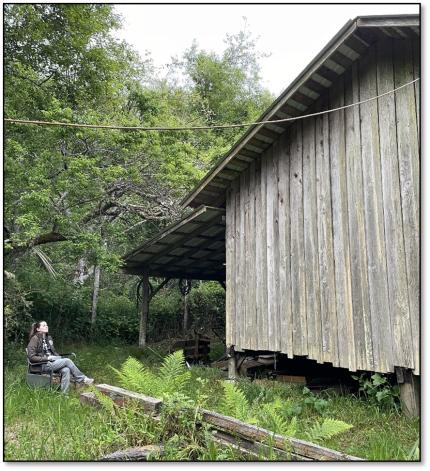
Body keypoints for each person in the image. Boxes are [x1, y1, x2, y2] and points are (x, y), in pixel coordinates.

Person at [27, 320, 94, 393]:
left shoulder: (48, 338)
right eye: (44, 325)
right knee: (67, 361)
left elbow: (53, 352)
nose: (46, 326)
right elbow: (31, 357)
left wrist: (57, 357)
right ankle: (81, 378)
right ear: (38, 329)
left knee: (66, 370)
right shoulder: (35, 339)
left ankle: (64, 394)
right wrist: (47, 358)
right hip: (42, 365)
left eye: (47, 325)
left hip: (52, 362)